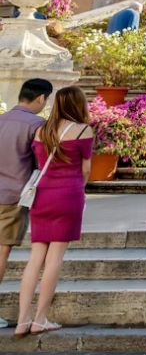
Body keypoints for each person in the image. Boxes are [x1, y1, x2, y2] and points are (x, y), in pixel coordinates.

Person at [14, 85, 93, 337]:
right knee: (54, 259)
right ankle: (40, 319)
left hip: (42, 195)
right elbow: (86, 170)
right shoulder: (83, 130)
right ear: (78, 104)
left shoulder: (40, 131)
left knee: (35, 258)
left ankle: (22, 320)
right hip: (68, 195)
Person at [0, 79, 52, 330]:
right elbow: (41, 162)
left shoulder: (1, 119)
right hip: (11, 196)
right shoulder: (37, 124)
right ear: (41, 99)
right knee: (0, 252)